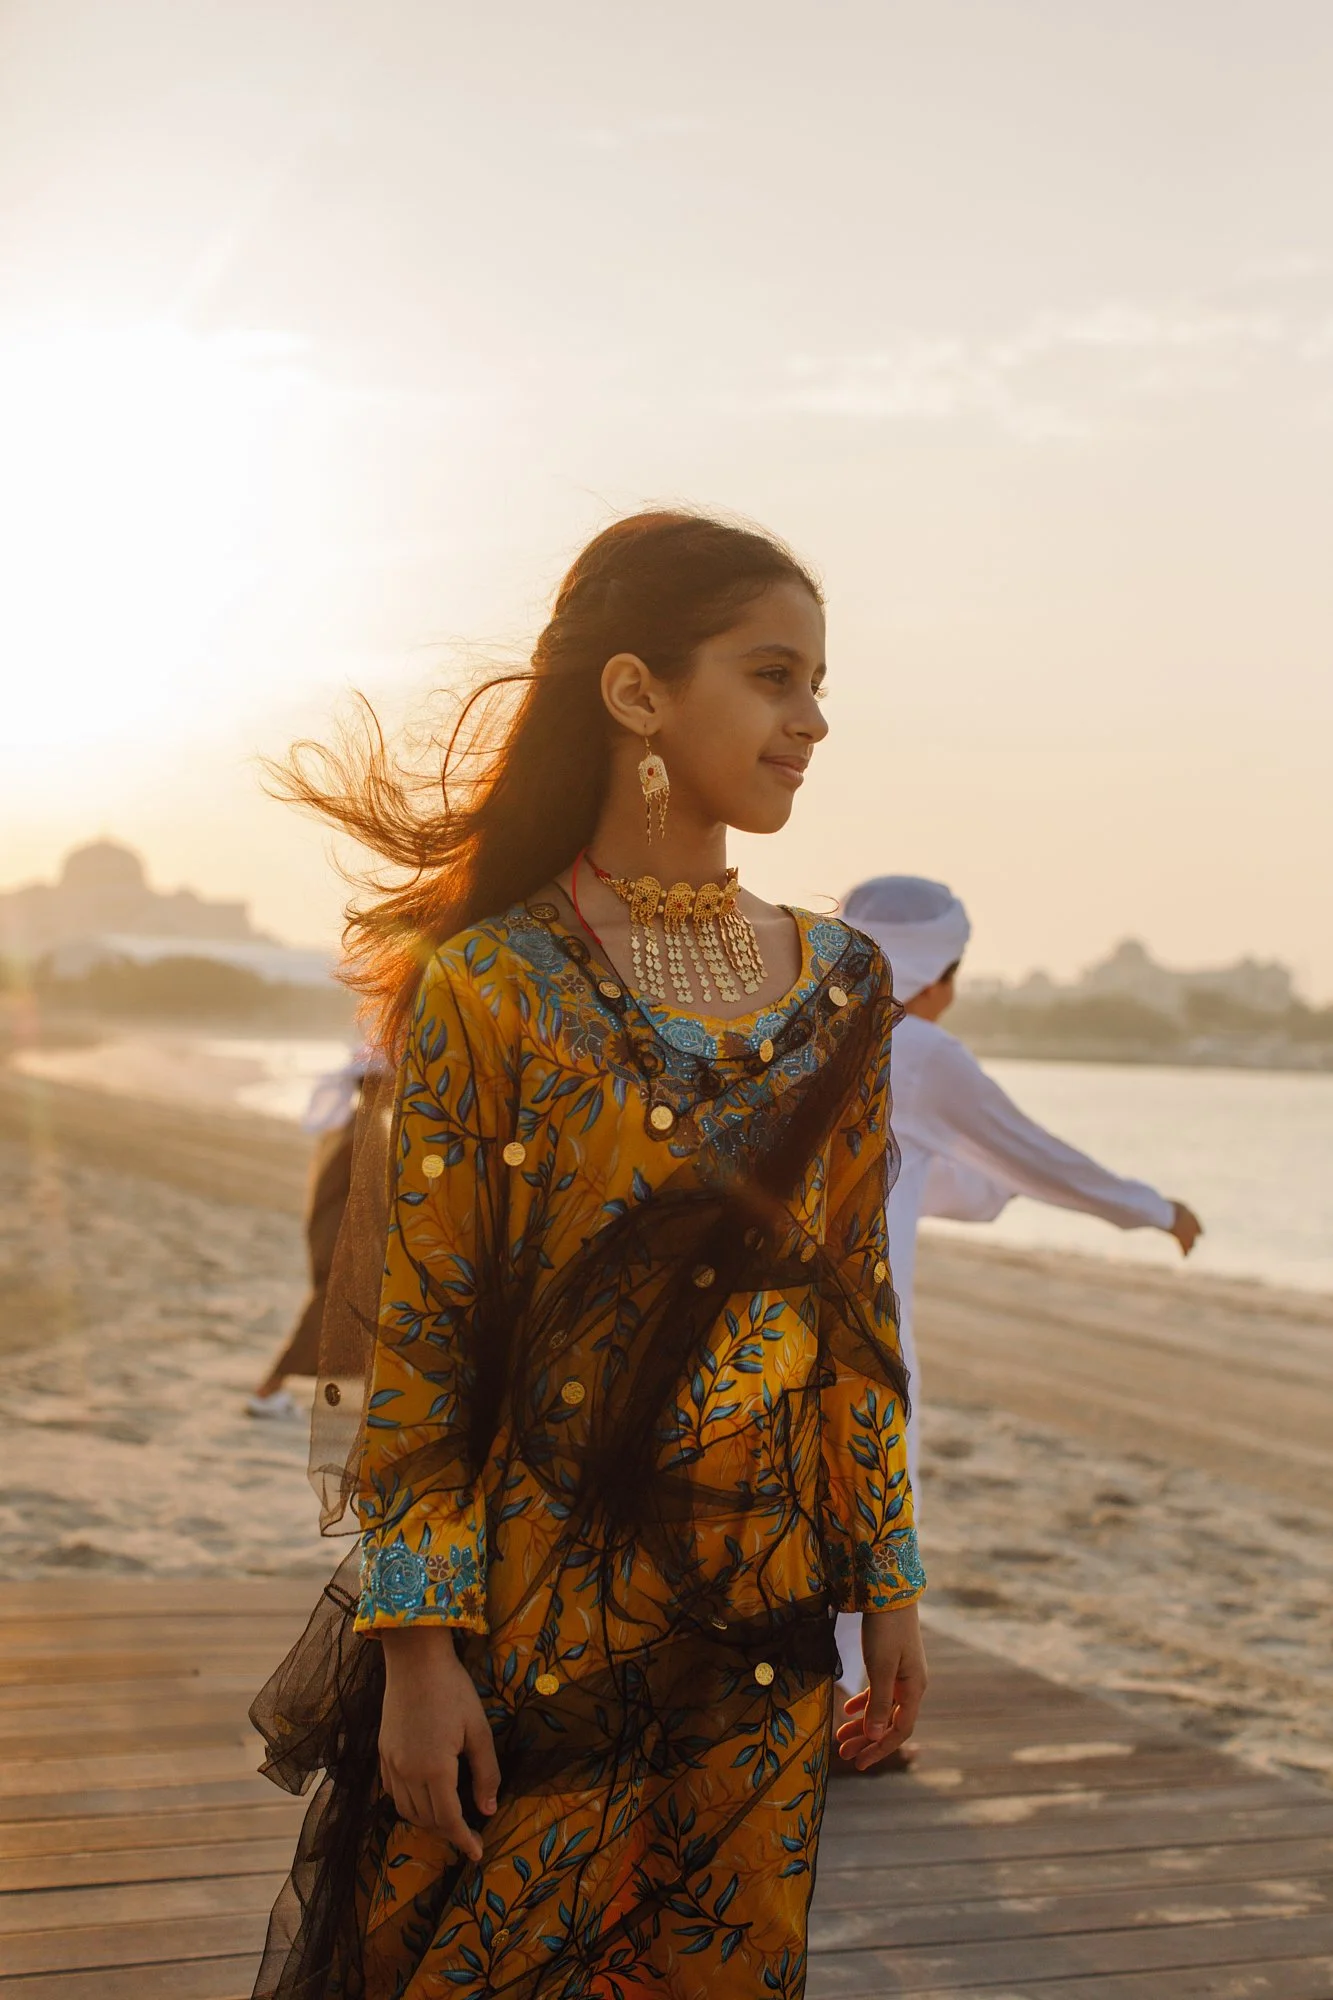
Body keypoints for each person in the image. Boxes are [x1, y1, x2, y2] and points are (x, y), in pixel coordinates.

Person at [249, 513, 929, 2000]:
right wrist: (419, 1661)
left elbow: (855, 1313)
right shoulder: (490, 982)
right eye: (772, 676)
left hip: (764, 1610)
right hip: (534, 1613)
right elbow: (423, 1343)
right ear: (635, 693)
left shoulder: (843, 984)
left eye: (819, 684)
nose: (812, 722)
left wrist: (889, 1582)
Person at [831, 874, 1202, 1718]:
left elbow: (943, 1182)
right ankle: (843, 1718)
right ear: (934, 976)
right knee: (878, 1505)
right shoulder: (917, 1050)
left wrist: (1001, 1182)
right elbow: (1034, 1156)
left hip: (764, 1317)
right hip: (867, 1327)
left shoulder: (791, 1029)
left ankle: (804, 1712)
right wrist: (1149, 1208)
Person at [246, 1048, 381, 1420]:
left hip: (334, 1235)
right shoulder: (368, 1131)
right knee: (332, 1311)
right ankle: (269, 1388)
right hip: (344, 1239)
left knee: (348, 1313)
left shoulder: (354, 1122)